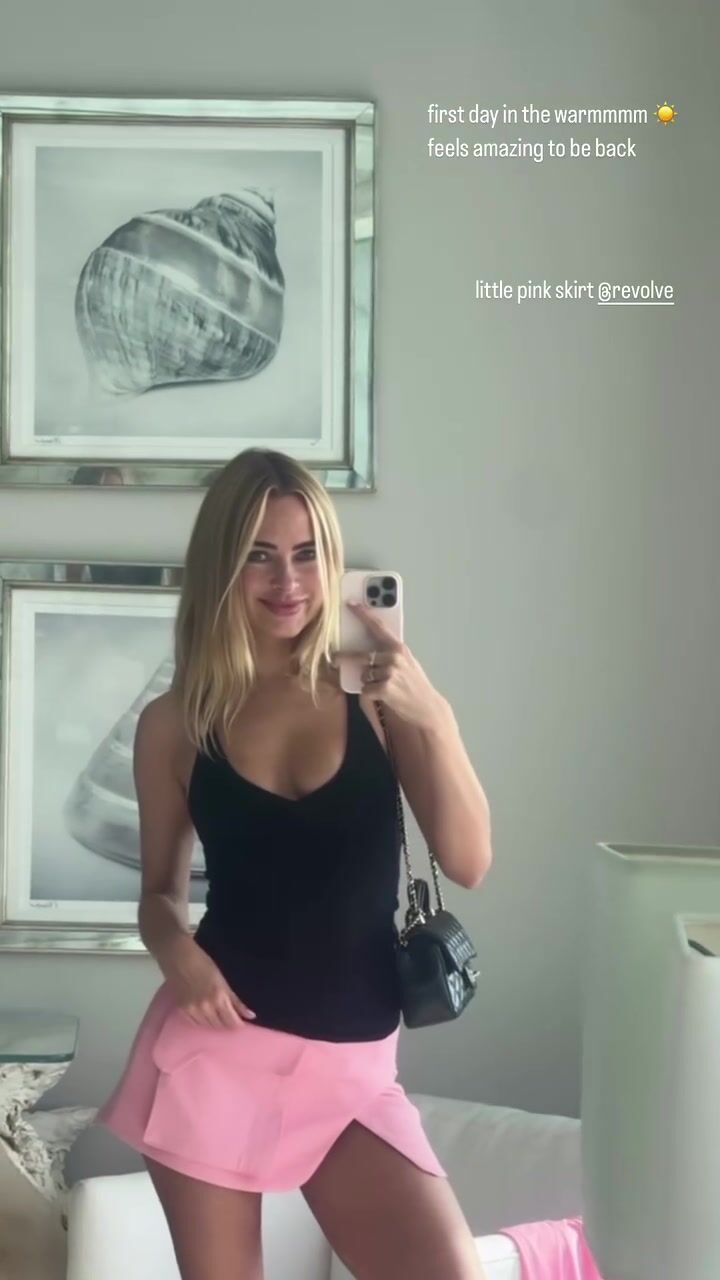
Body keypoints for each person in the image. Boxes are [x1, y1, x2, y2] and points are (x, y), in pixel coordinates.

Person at [95, 447, 493, 1280]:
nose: (288, 581)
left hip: (353, 1072)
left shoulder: (378, 699)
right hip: (217, 1054)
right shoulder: (175, 722)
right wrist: (179, 956)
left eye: (308, 553)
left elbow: (469, 859)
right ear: (222, 565)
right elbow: (159, 894)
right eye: (260, 556)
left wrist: (435, 715)